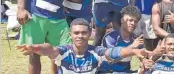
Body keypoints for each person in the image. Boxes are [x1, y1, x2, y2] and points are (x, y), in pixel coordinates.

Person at [16, 18, 149, 74]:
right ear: (71, 34)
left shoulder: (96, 52)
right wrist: (35, 48)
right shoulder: (64, 51)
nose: (80, 36)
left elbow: (114, 52)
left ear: (90, 33)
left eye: (84, 32)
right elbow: (49, 48)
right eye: (76, 33)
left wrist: (133, 51)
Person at [98, 5, 143, 73]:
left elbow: (143, 56)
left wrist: (154, 54)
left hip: (126, 72)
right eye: (130, 20)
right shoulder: (110, 38)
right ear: (122, 20)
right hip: (108, 71)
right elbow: (110, 61)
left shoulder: (135, 38)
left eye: (135, 21)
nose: (133, 23)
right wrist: (132, 46)